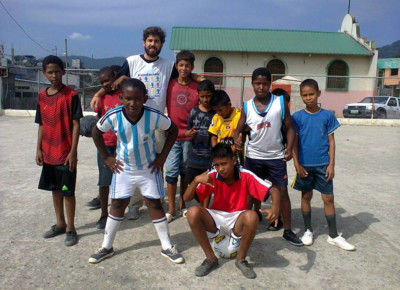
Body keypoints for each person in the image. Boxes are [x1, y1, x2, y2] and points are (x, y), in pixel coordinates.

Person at [88, 78, 184, 264]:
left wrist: (162, 157)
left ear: (145, 98)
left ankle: (166, 246)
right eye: (128, 98)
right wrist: (107, 157)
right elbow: (96, 132)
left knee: (154, 205)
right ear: (121, 98)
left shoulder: (153, 116)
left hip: (148, 169)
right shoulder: (114, 115)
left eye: (138, 99)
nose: (133, 103)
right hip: (124, 169)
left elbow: (172, 130)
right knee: (117, 205)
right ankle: (106, 246)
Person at [183, 144, 280, 279]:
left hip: (237, 218)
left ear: (234, 161)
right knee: (192, 212)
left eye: (224, 164)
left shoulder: (246, 175)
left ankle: (241, 259)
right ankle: (210, 258)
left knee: (252, 216)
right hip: (216, 216)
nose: (220, 169)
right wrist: (195, 180)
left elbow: (273, 190)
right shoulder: (212, 176)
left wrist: (275, 207)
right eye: (216, 165)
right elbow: (186, 198)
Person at [234, 67, 303, 246]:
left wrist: (289, 146)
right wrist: (237, 139)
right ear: (252, 85)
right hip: (253, 157)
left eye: (265, 83)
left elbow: (290, 128)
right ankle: (242, 227)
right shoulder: (247, 106)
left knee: (282, 192)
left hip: (275, 157)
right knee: (249, 194)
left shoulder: (280, 102)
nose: (262, 87)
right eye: (258, 83)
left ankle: (288, 230)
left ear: (270, 84)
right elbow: (239, 128)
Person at [291, 78, 355, 251]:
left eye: (311, 94)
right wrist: (297, 164)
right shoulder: (297, 117)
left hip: (323, 164)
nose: (308, 98)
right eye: (304, 95)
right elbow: (293, 144)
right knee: (306, 196)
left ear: (318, 93)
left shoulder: (327, 115)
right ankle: (308, 230)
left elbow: (331, 141)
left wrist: (331, 164)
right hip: (305, 165)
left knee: (328, 198)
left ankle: (333, 235)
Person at [35, 55, 83, 246]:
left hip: (64, 155)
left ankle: (71, 227)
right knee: (54, 190)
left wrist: (73, 152)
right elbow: (41, 124)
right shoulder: (41, 96)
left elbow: (76, 124)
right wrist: (38, 149)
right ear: (44, 73)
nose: (54, 75)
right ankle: (60, 223)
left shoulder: (71, 96)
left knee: (67, 191)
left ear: (63, 72)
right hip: (48, 154)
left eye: (57, 71)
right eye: (50, 72)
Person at [165, 50, 198, 222]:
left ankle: (182, 204)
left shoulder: (196, 87)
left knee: (185, 172)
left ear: (192, 67)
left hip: (190, 137)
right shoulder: (169, 84)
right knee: (171, 172)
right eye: (181, 65)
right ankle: (171, 209)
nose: (184, 68)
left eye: (187, 65)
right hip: (172, 137)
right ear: (176, 66)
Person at [92, 67, 122, 229]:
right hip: (105, 146)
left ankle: (117, 212)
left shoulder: (122, 95)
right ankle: (104, 214)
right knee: (104, 182)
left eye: (108, 80)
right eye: (102, 82)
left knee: (120, 181)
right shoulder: (101, 99)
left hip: (121, 146)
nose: (105, 84)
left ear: (115, 78)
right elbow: (98, 121)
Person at [185, 80, 215, 208]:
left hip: (209, 157)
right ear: (198, 95)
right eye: (202, 96)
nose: (205, 99)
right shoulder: (194, 112)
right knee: (191, 182)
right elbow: (187, 130)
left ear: (212, 95)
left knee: (207, 185)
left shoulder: (215, 113)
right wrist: (188, 133)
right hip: (194, 156)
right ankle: (200, 203)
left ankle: (205, 210)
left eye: (208, 96)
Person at [208, 90, 244, 166]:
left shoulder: (239, 116)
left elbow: (242, 136)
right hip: (220, 157)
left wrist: (232, 150)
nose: (219, 113)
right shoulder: (216, 118)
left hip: (235, 156)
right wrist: (217, 151)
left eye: (220, 110)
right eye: (216, 110)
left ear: (229, 105)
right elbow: (214, 136)